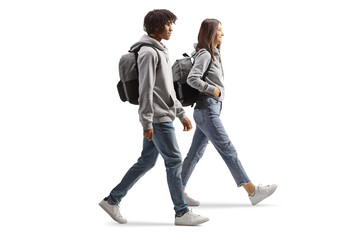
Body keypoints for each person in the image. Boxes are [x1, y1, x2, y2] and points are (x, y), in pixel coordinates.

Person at [99, 9, 209, 226]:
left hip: (163, 114)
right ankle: (181, 212)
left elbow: (166, 88)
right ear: (156, 26)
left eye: (171, 24)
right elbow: (146, 90)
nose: (171, 28)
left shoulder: (160, 50)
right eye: (168, 24)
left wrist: (180, 113)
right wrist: (147, 122)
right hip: (158, 118)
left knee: (147, 161)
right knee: (174, 161)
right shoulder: (149, 53)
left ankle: (112, 200)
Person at [181, 19, 277, 207]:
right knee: (227, 149)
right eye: (220, 31)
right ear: (211, 33)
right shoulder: (205, 55)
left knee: (194, 154)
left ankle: (179, 191)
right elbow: (192, 78)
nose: (223, 34)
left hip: (207, 110)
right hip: (207, 109)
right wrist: (212, 89)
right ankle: (252, 191)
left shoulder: (213, 53)